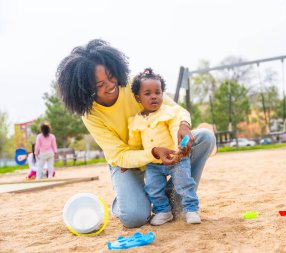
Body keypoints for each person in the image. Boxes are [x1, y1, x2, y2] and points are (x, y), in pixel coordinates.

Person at [56, 39, 216, 228]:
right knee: (134, 218)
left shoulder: (134, 85)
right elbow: (119, 155)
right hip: (127, 162)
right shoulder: (90, 115)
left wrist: (183, 124)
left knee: (205, 138)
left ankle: (174, 197)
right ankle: (122, 202)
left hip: (164, 150)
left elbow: (174, 110)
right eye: (99, 85)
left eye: (110, 76)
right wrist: (153, 152)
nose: (110, 85)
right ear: (85, 89)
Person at [128, 68, 201, 225]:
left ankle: (191, 209)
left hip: (176, 159)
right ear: (138, 97)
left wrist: (179, 149)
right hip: (153, 164)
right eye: (147, 93)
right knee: (153, 189)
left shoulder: (168, 112)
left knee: (185, 184)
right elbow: (134, 144)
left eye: (158, 92)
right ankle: (163, 211)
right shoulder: (135, 121)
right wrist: (127, 161)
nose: (154, 96)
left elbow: (176, 127)